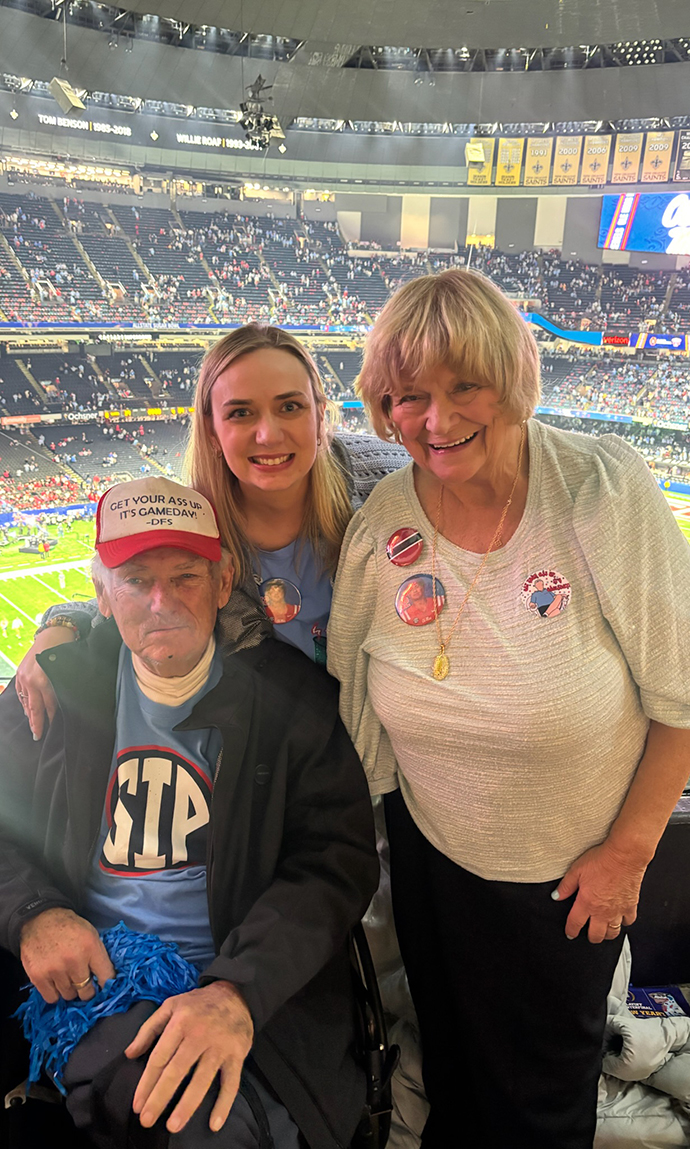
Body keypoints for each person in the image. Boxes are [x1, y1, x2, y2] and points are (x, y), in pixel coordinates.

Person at [328, 269, 690, 1149]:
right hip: (429, 859)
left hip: (567, 877)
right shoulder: (383, 520)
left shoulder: (600, 487)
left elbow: (682, 698)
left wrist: (629, 854)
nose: (437, 419)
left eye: (465, 386)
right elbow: (353, 699)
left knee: (541, 1114)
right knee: (451, 1080)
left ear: (512, 380)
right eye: (409, 395)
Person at [0, 475, 378, 1149]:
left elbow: (333, 863)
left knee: (223, 1122)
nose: (161, 602)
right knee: (182, 1114)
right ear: (101, 594)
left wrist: (237, 989)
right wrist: (34, 913)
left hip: (253, 976)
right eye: (135, 580)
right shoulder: (51, 690)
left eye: (185, 577)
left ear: (223, 579)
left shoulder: (292, 702)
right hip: (100, 975)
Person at [15, 324, 408, 737]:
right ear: (212, 430)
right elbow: (139, 594)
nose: (268, 435)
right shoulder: (194, 525)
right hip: (305, 754)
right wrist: (62, 625)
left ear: (320, 414)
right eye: (241, 413)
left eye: (290, 406)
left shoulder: (385, 478)